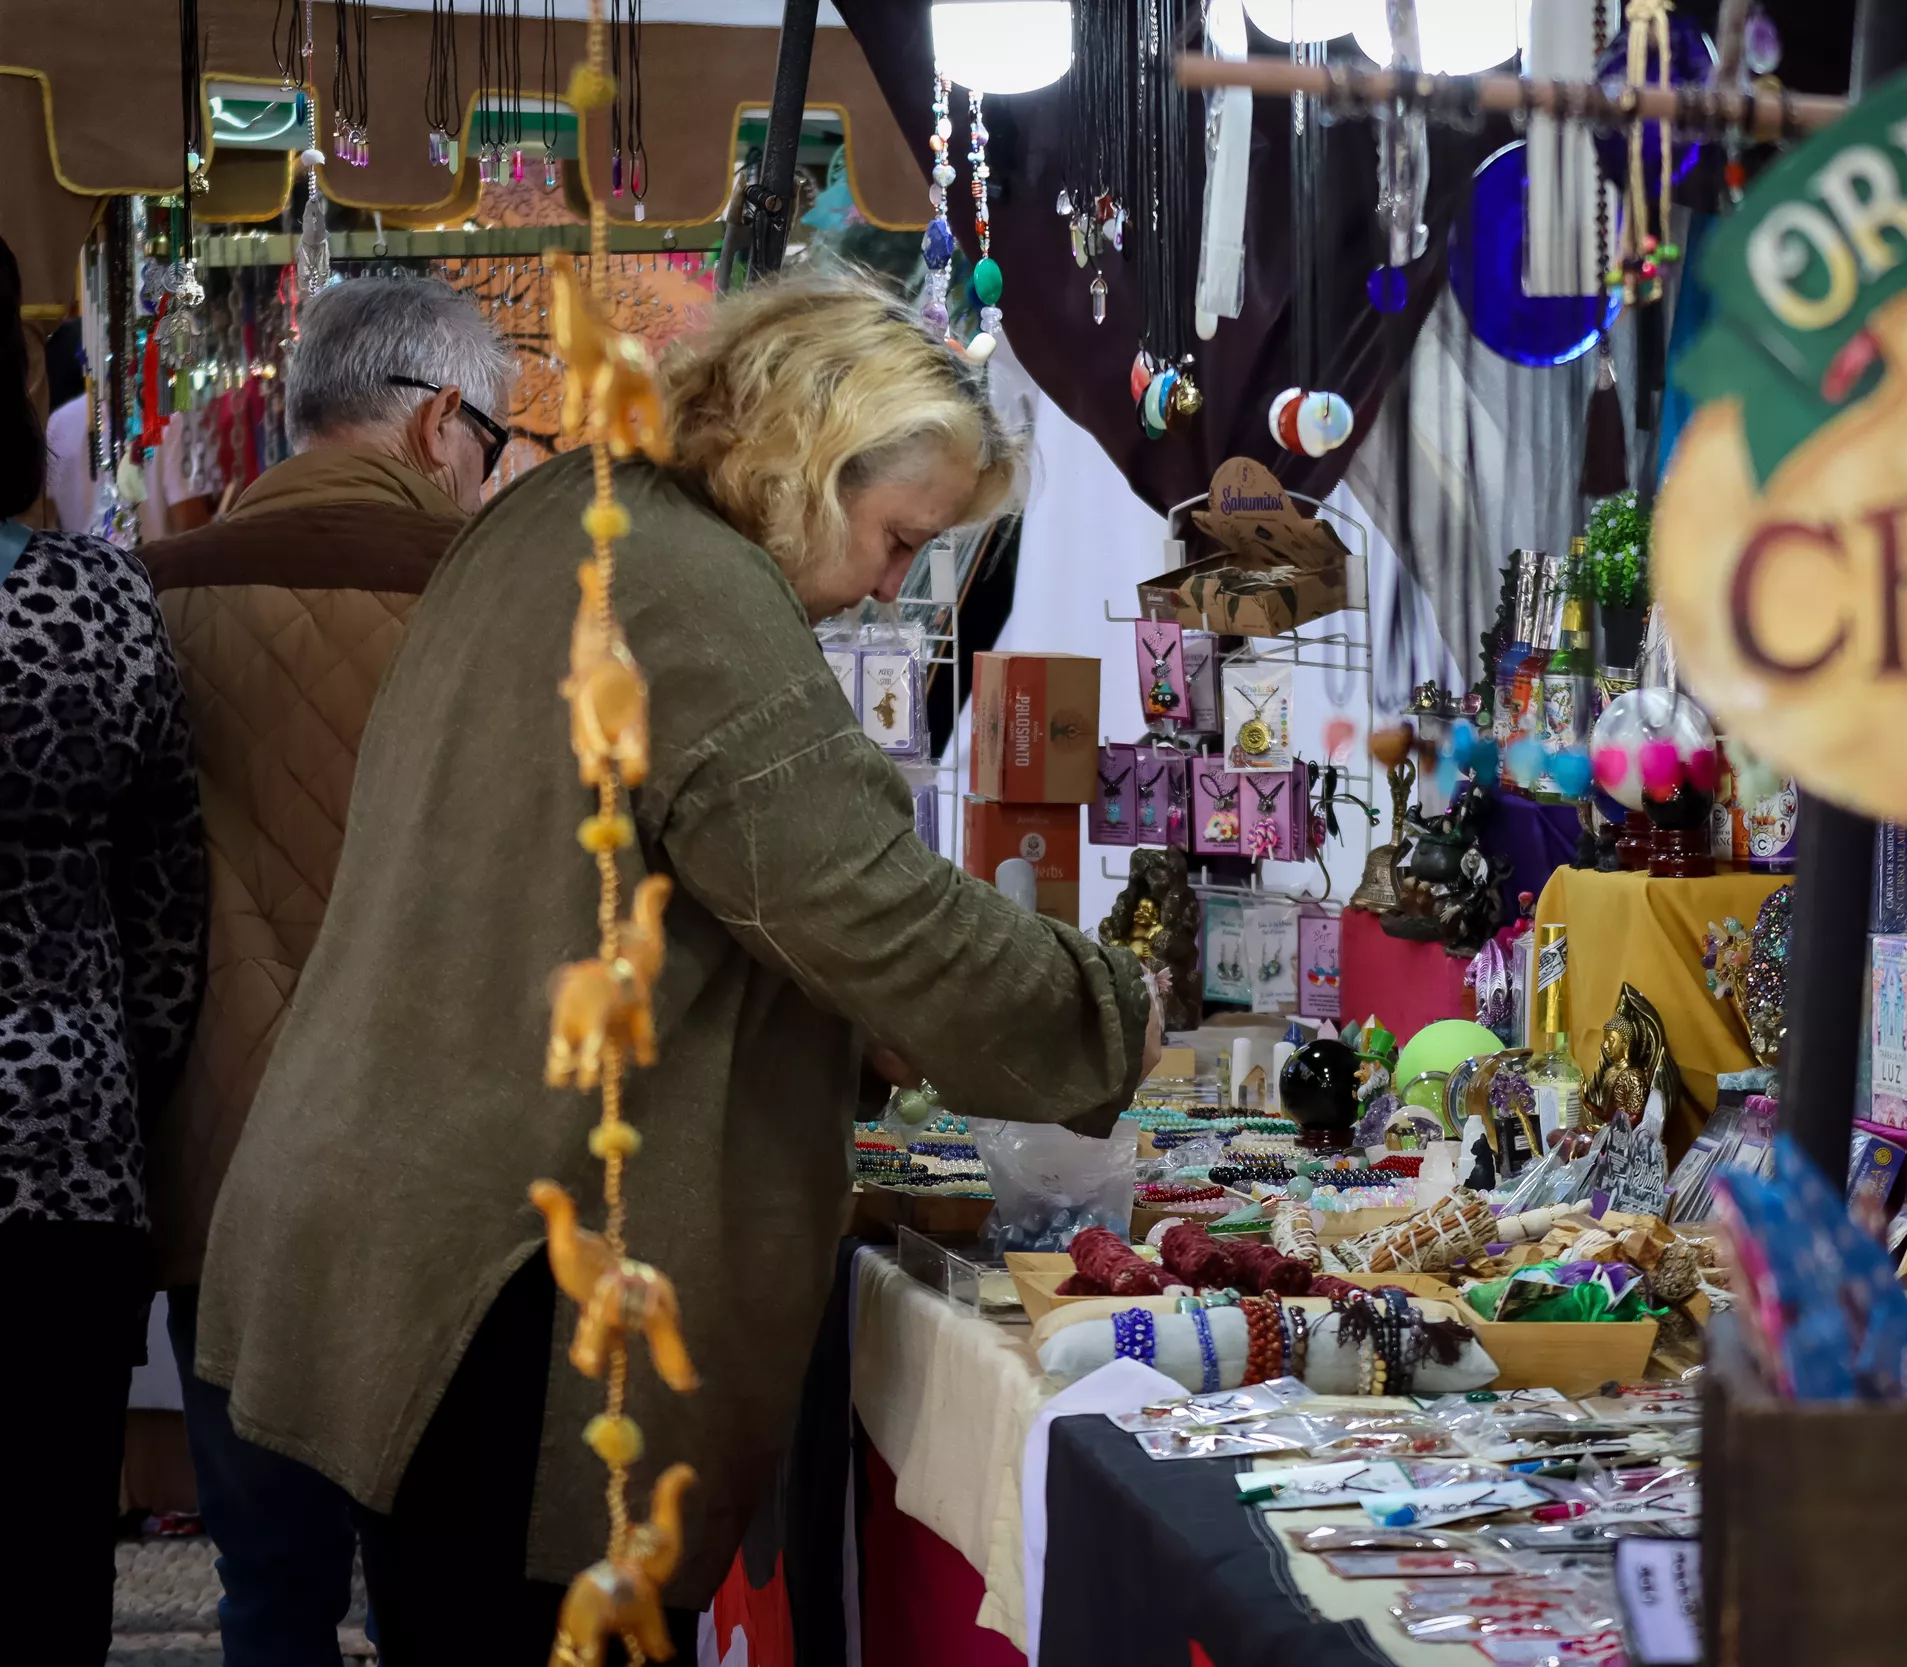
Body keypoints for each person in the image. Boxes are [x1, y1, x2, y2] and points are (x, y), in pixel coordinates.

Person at [196, 271, 1159, 1665]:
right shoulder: (693, 592)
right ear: (809, 458)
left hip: (397, 1225)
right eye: (897, 538)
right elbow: (868, 905)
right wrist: (1113, 1016)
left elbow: (678, 890)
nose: (895, 582)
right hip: (509, 1284)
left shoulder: (567, 511)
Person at [143, 274, 513, 1667]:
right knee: (445, 1590)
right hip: (445, 1185)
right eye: (488, 440)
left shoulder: (154, 593)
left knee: (268, 1589)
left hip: (223, 1177)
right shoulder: (500, 608)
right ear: (436, 429)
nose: (486, 475)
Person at [0, 233, 207, 1661]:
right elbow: (170, 905)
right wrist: (129, 1069)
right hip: (65, 1140)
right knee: (44, 1538)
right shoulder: (96, 603)